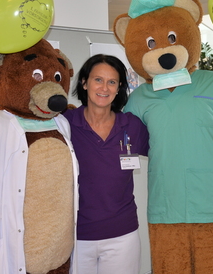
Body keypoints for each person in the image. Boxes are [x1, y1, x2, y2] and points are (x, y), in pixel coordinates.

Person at [63, 54, 149, 274]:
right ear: (84, 83)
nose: (104, 88)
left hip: (122, 235)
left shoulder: (132, 126)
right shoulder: (65, 124)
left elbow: (165, 152)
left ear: (119, 88)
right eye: (98, 80)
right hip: (76, 235)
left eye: (112, 82)